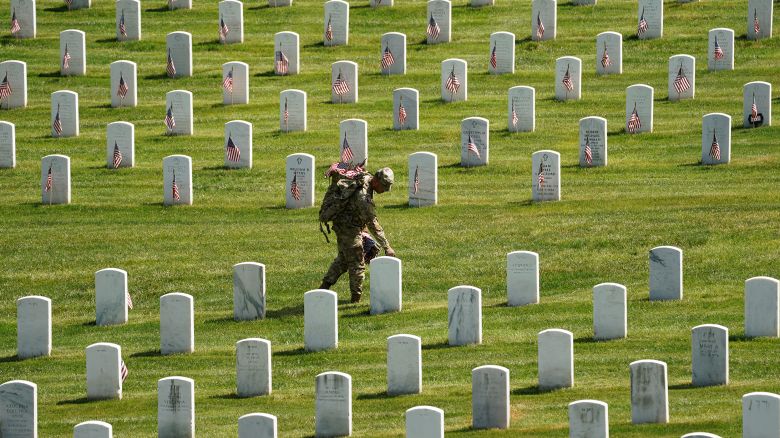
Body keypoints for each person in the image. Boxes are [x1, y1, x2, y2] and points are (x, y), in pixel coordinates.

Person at [319, 167, 396, 303]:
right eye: (384, 187)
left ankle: (324, 287)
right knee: (357, 262)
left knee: (344, 259)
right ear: (377, 181)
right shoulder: (363, 196)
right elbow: (373, 223)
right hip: (347, 227)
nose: (384, 191)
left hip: (349, 224)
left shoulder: (366, 179)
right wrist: (387, 246)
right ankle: (356, 299)